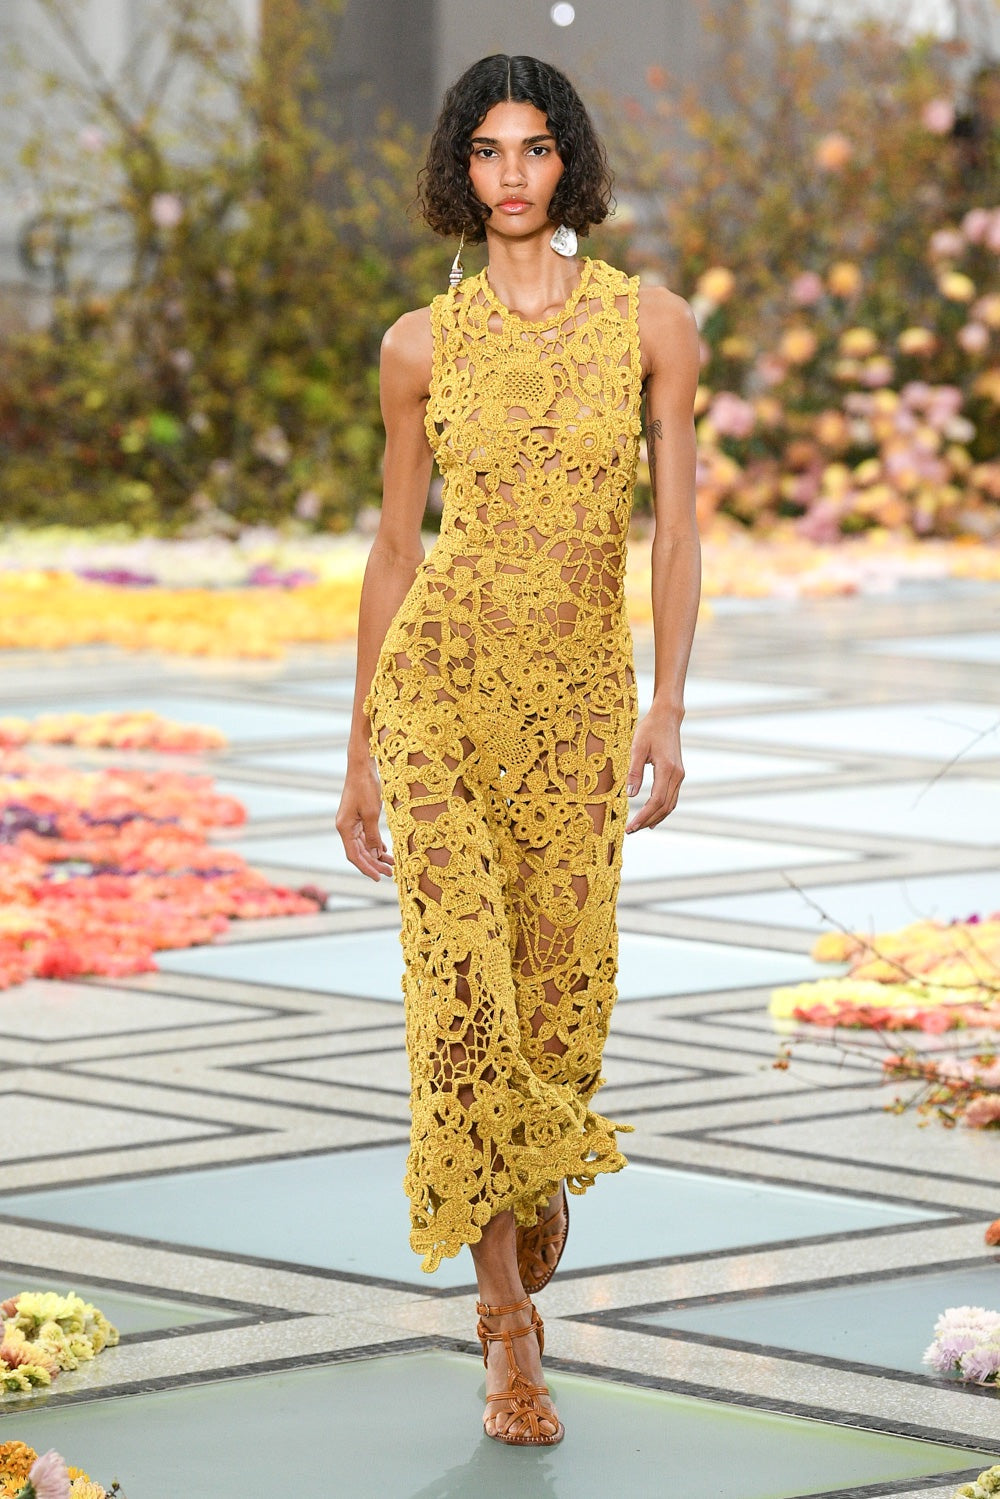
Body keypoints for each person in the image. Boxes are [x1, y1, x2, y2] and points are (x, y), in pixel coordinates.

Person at [336, 53, 701, 1447]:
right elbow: (393, 550)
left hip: (580, 706)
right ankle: (505, 1327)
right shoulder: (417, 347)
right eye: (486, 151)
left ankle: (534, 1162)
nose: (510, 174)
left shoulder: (652, 326)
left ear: (569, 163)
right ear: (459, 169)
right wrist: (359, 752)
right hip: (439, 696)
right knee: (459, 993)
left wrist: (669, 707)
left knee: (557, 1005)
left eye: (534, 149)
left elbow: (677, 529)